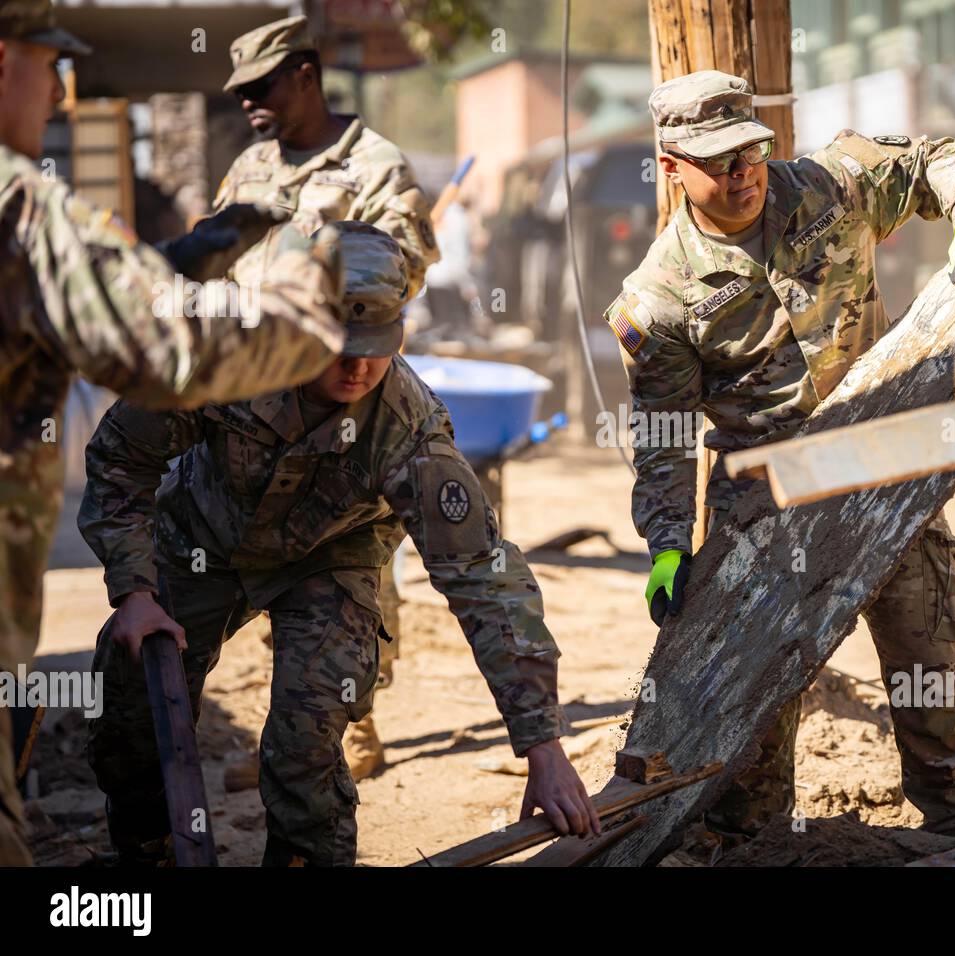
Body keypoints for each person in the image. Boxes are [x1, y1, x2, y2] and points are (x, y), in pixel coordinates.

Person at [80, 223, 598, 866]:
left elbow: (484, 580)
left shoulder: (409, 430)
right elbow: (119, 459)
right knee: (132, 712)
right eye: (336, 346)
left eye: (376, 344)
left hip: (330, 557)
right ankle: (147, 855)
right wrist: (133, 591)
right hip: (199, 542)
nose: (357, 367)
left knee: (304, 745)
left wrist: (542, 748)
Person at [609, 70, 955, 846]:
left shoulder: (831, 185)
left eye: (751, 155)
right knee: (752, 721)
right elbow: (663, 435)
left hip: (882, 477)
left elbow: (932, 156)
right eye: (719, 164)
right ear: (670, 167)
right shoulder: (658, 298)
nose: (742, 176)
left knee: (931, 674)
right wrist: (666, 543)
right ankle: (754, 846)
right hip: (767, 516)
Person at [0, 0, 346, 866]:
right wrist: (310, 313)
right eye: (52, 68)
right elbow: (160, 350)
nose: (62, 97)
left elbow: (99, 287)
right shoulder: (18, 201)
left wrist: (222, 238)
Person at [216, 13, 442, 777]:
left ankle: (356, 722)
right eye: (241, 90)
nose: (248, 101)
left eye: (262, 85)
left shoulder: (374, 162)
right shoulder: (247, 169)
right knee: (275, 555)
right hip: (260, 400)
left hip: (348, 395)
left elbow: (404, 266)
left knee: (354, 557)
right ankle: (292, 732)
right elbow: (214, 264)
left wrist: (312, 270)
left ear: (306, 75)